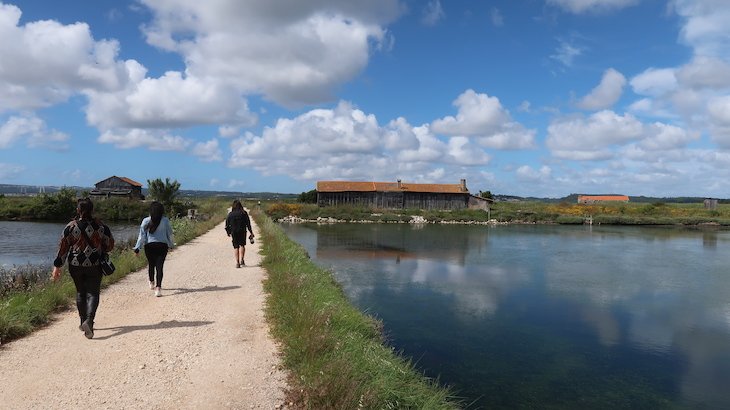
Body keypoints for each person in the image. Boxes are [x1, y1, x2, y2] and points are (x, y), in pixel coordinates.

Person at [52, 197, 115, 339]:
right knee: (93, 293)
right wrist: (100, 248)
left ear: (78, 210)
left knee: (80, 292)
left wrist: (57, 266)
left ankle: (82, 321)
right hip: (94, 264)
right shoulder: (101, 226)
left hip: (75, 265)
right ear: (92, 210)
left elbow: (63, 247)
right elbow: (110, 245)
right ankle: (89, 321)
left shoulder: (70, 226)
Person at [133, 201, 174, 297]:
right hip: (162, 246)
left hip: (149, 246)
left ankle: (151, 282)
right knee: (160, 267)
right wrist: (171, 245)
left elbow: (141, 236)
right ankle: (158, 288)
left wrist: (137, 248)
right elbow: (170, 234)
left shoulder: (146, 220)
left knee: (151, 264)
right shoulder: (165, 221)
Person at [225, 200, 254, 268]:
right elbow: (248, 224)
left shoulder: (230, 214)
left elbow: (227, 224)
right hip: (242, 231)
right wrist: (251, 232)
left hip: (234, 232)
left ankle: (237, 263)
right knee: (242, 245)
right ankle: (242, 260)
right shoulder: (244, 213)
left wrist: (228, 232)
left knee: (236, 247)